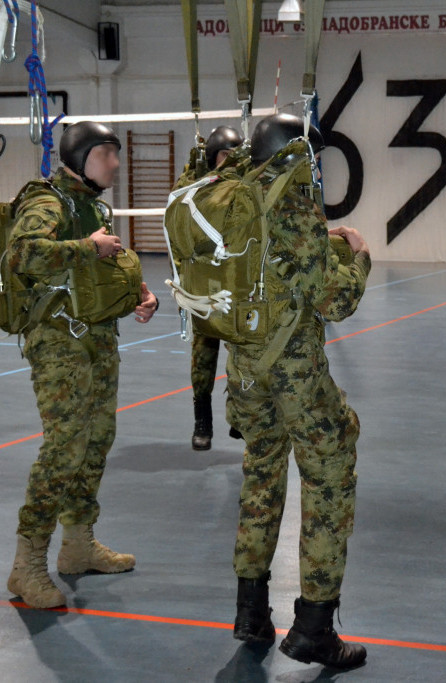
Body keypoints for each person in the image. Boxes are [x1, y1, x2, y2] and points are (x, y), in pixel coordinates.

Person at [225, 112, 371, 669]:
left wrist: (318, 243)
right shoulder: (293, 207)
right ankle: (314, 629)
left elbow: (274, 262)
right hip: (294, 374)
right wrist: (358, 257)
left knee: (262, 473)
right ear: (298, 155)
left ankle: (251, 612)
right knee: (329, 475)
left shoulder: (237, 198)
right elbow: (336, 300)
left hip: (244, 371)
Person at [5, 121, 159, 609]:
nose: (115, 163)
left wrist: (139, 296)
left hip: (97, 338)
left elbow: (95, 274)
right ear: (80, 157)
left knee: (96, 440)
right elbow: (22, 255)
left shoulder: (91, 205)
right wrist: (89, 247)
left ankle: (77, 545)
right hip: (58, 343)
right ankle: (27, 565)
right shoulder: (47, 202)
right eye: (105, 153)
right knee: (65, 447)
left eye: (115, 153)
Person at [173, 125, 244, 450]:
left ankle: (239, 414)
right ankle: (202, 420)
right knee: (203, 358)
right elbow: (176, 213)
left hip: (235, 283)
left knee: (241, 353)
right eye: (223, 155)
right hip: (203, 283)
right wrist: (195, 167)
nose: (229, 161)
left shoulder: (244, 187)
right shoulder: (195, 188)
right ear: (212, 157)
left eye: (234, 155)